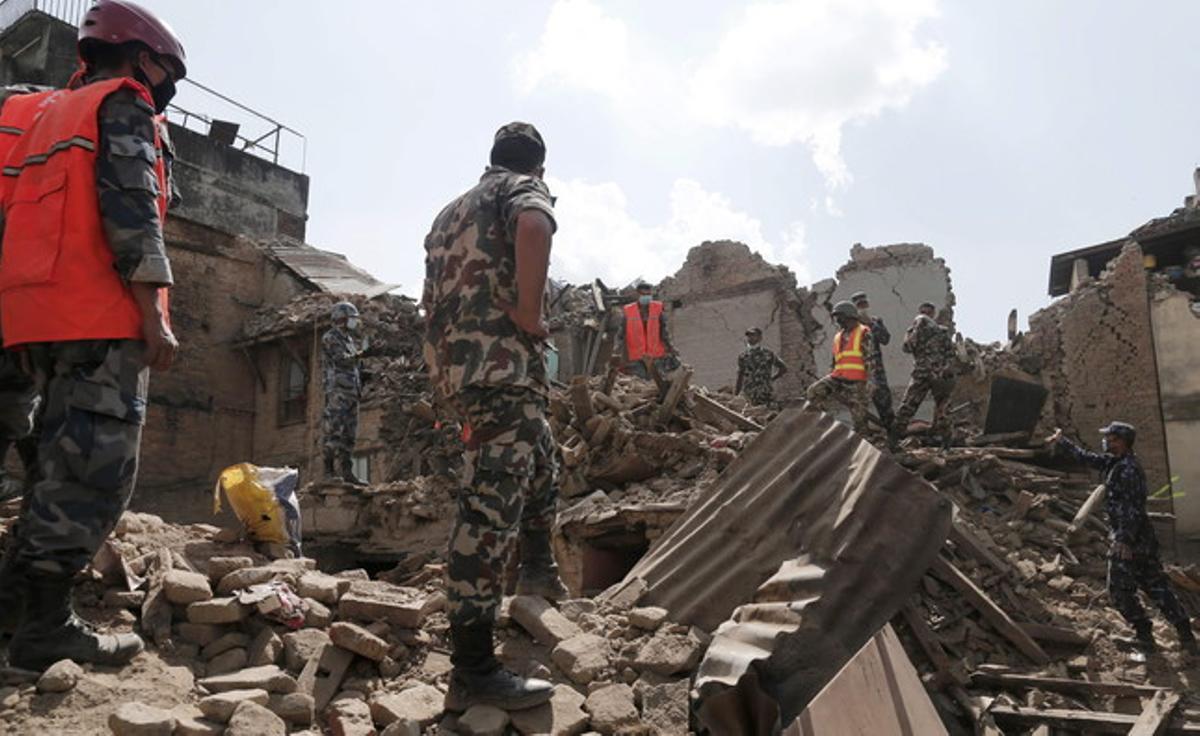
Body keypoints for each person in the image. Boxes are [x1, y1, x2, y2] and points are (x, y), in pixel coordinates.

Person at [0, 0, 185, 671]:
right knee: (91, 472)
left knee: (51, 458)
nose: (166, 86)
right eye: (165, 71)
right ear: (141, 56)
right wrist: (153, 311)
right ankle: (45, 626)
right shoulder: (126, 102)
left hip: (29, 314)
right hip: (96, 311)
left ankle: (16, 610)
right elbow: (132, 203)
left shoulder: (32, 112)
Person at [423, 122, 566, 710]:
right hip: (500, 365)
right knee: (487, 508)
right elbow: (535, 225)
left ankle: (538, 569)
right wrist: (530, 314)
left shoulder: (448, 213)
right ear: (538, 167)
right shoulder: (519, 191)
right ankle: (474, 667)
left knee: (543, 456)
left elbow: (429, 300)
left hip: (465, 370)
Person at [1048, 423, 1196, 656]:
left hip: (1131, 538)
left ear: (1121, 441)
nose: (1105, 441)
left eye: (1110, 438)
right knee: (1156, 585)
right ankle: (1185, 635)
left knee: (1118, 588)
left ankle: (1145, 634)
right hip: (1141, 537)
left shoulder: (1127, 470)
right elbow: (1087, 458)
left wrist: (1123, 540)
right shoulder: (1114, 463)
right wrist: (1061, 441)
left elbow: (1132, 508)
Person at [806, 301, 879, 435]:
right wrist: (831, 376)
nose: (838, 320)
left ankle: (863, 440)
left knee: (859, 421)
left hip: (857, 382)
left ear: (849, 315)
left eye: (840, 316)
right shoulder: (838, 336)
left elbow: (870, 359)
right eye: (836, 317)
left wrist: (870, 382)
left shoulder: (863, 332)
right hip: (838, 377)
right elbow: (836, 360)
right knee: (814, 391)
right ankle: (824, 428)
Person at [891, 302, 956, 445]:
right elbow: (907, 348)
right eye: (924, 312)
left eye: (927, 313)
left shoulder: (936, 331)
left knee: (939, 407)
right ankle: (893, 439)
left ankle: (946, 442)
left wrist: (947, 367)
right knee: (914, 405)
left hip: (930, 372)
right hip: (928, 372)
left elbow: (950, 353)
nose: (925, 315)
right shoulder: (924, 330)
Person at [322, 301, 365, 485]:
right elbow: (341, 360)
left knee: (349, 434)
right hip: (338, 392)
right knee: (334, 432)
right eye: (352, 319)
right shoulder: (331, 337)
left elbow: (355, 365)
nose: (354, 323)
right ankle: (329, 471)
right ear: (342, 319)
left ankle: (347, 472)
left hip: (351, 393)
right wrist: (361, 354)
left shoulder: (349, 340)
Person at [612, 281, 678, 379]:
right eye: (643, 294)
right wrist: (616, 350)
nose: (646, 297)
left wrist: (671, 348)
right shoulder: (628, 311)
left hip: (656, 355)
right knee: (641, 383)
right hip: (637, 356)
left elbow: (664, 332)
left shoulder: (657, 308)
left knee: (659, 382)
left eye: (648, 294)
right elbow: (620, 334)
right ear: (637, 295)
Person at [851, 291, 894, 431]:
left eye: (864, 304)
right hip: (858, 371)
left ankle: (892, 436)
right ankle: (862, 436)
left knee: (884, 403)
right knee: (859, 405)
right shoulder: (850, 326)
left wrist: (870, 323)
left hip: (876, 371)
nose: (862, 307)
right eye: (859, 305)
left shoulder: (876, 322)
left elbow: (885, 339)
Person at [735, 326, 787, 406]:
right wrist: (736, 394)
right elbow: (740, 376)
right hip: (749, 394)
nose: (750, 338)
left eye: (753, 335)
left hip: (765, 393)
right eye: (748, 336)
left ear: (759, 338)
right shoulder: (743, 356)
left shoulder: (768, 354)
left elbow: (783, 368)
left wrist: (771, 379)